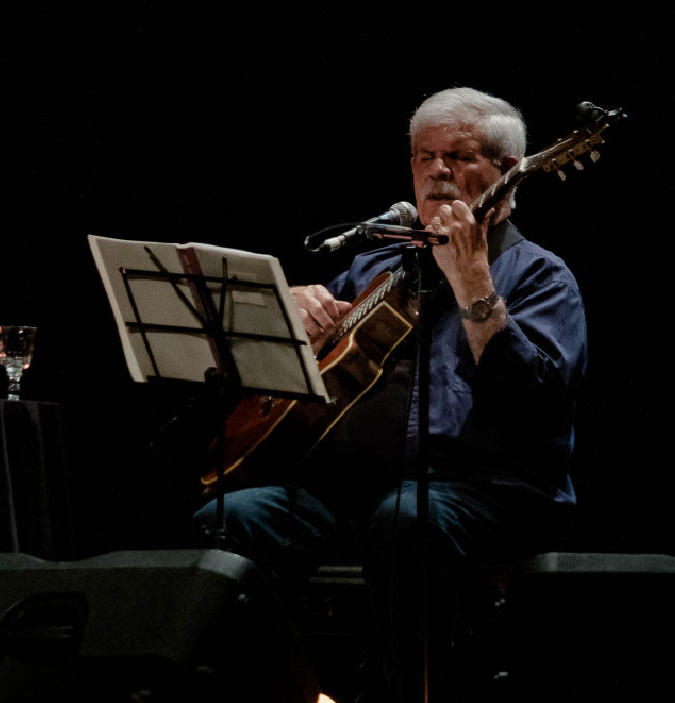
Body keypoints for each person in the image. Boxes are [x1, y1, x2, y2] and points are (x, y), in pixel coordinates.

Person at [192, 87, 587, 702]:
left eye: (458, 156)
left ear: (508, 172)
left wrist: (473, 282)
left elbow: (533, 402)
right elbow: (299, 374)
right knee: (230, 520)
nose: (437, 171)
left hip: (487, 490)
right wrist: (288, 314)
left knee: (406, 516)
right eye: (424, 157)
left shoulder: (540, 274)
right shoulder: (377, 266)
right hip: (353, 490)